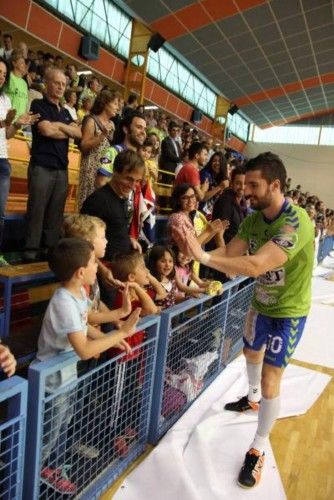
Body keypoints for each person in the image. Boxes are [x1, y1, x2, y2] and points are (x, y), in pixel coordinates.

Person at [173, 152, 315, 489]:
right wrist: (198, 254)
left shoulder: (296, 223)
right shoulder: (253, 220)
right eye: (245, 184)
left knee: (271, 380)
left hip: (288, 312)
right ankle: (251, 398)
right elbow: (232, 254)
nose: (246, 190)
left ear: (275, 185)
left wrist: (202, 255)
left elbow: (255, 265)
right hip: (261, 303)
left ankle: (258, 446)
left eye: (254, 185)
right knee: (251, 354)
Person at [36, 238, 140, 493]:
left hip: (66, 377)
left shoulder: (78, 294)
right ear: (81, 272)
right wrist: (120, 334)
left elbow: (86, 321)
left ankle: (50, 467)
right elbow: (83, 349)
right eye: (95, 262)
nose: (99, 267)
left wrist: (116, 319)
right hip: (53, 382)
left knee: (62, 424)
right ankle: (32, 474)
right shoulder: (63, 302)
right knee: (48, 434)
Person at [108, 251, 163, 456]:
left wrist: (140, 285)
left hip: (134, 352)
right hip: (121, 355)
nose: (147, 272)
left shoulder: (139, 292)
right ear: (131, 277)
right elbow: (150, 310)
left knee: (129, 392)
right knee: (117, 397)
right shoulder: (124, 296)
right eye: (143, 269)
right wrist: (138, 287)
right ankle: (113, 433)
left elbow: (155, 306)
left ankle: (123, 427)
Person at [23, 68, 82, 262]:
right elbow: (46, 130)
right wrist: (66, 130)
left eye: (63, 84)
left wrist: (58, 127)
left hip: (61, 169)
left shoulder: (66, 111)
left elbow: (78, 134)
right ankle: (30, 252)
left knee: (56, 213)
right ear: (47, 83)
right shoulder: (38, 104)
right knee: (37, 209)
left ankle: (49, 250)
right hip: (41, 166)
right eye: (56, 83)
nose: (60, 87)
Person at [0, 57, 39, 266]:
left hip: (2, 161)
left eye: (4, 74)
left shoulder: (6, 100)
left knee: (0, 213)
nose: (2, 77)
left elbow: (6, 134)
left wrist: (17, 124)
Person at [62, 214, 131, 328]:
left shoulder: (91, 268)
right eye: (103, 237)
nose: (107, 241)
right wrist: (121, 312)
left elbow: (95, 301)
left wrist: (116, 321)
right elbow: (86, 319)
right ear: (89, 242)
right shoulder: (81, 276)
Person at [77, 89, 120, 209]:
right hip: (90, 169)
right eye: (115, 103)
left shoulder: (112, 124)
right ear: (105, 103)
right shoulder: (91, 120)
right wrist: (102, 136)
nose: (118, 107)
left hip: (104, 170)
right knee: (87, 205)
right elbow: (84, 146)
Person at [96, 111, 146, 183]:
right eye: (139, 127)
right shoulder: (113, 152)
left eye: (145, 129)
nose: (143, 132)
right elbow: (101, 182)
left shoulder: (140, 158)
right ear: (125, 129)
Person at [199, 151, 229, 220]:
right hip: (200, 213)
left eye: (219, 161)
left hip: (210, 214)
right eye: (214, 161)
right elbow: (202, 198)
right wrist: (219, 187)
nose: (217, 163)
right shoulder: (206, 174)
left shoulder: (220, 177)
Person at [4, 49, 28, 119]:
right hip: (6, 120)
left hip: (19, 123)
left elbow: (25, 103)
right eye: (22, 63)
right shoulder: (8, 77)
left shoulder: (24, 83)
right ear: (14, 63)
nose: (24, 65)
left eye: (24, 63)